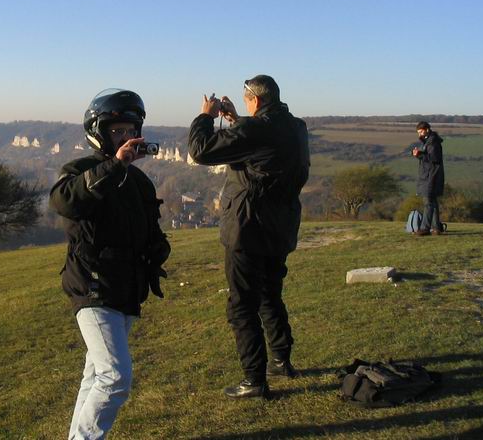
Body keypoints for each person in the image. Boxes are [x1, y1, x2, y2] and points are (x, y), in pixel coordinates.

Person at [50, 88, 170, 440]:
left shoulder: (139, 181)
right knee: (115, 377)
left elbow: (147, 228)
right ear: (99, 133)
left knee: (96, 375)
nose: (126, 137)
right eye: (117, 131)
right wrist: (115, 164)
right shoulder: (81, 170)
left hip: (125, 288)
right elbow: (64, 201)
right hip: (93, 286)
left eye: (131, 130)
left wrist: (157, 248)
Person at [188, 75, 310, 399]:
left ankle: (254, 379)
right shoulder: (296, 127)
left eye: (246, 102)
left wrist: (205, 116)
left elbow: (200, 151)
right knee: (270, 294)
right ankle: (281, 360)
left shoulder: (256, 129)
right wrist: (237, 120)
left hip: (247, 227)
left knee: (242, 305)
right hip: (280, 225)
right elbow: (262, 144)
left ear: (255, 100)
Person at [411, 121, 445, 236]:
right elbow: (428, 157)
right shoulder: (429, 141)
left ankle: (425, 228)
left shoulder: (433, 142)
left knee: (428, 202)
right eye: (418, 132)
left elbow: (434, 158)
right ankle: (436, 228)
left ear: (427, 129)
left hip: (431, 176)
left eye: (421, 131)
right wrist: (418, 154)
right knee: (433, 202)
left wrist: (419, 154)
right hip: (429, 175)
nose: (419, 134)